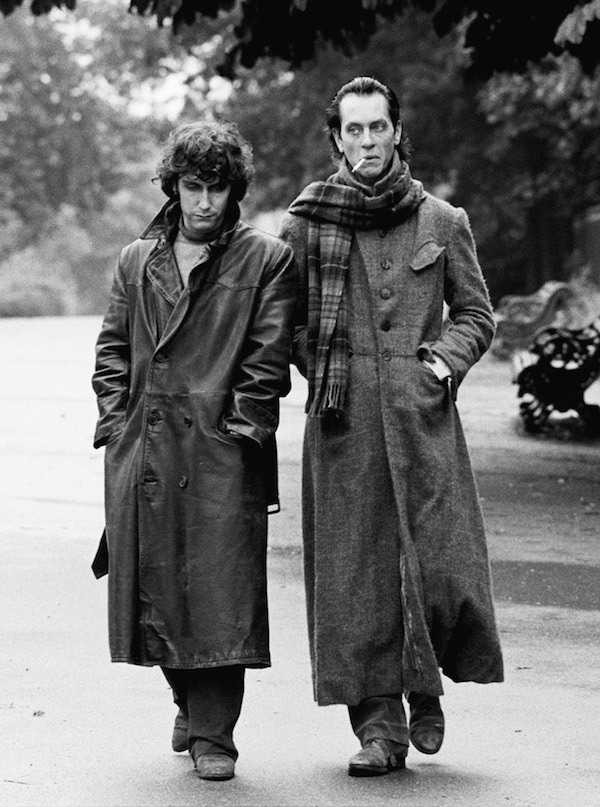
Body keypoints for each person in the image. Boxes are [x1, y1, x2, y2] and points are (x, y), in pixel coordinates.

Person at [280, 76, 504, 777]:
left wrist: (438, 366)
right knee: (356, 578)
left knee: (440, 566)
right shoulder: (307, 224)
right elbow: (284, 324)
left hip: (424, 423)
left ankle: (426, 680)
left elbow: (477, 315)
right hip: (342, 430)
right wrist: (322, 365)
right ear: (336, 139)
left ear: (398, 132)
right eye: (355, 130)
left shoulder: (442, 220)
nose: (368, 141)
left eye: (379, 127)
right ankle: (380, 727)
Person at [91, 119, 297, 781]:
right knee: (156, 588)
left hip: (221, 454)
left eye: (215, 187)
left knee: (220, 595)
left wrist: (237, 434)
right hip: (145, 453)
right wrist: (117, 424)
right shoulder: (134, 260)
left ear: (233, 189)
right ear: (173, 186)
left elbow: (267, 363)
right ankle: (185, 695)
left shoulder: (265, 259)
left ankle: (216, 735)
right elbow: (112, 353)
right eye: (191, 186)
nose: (203, 201)